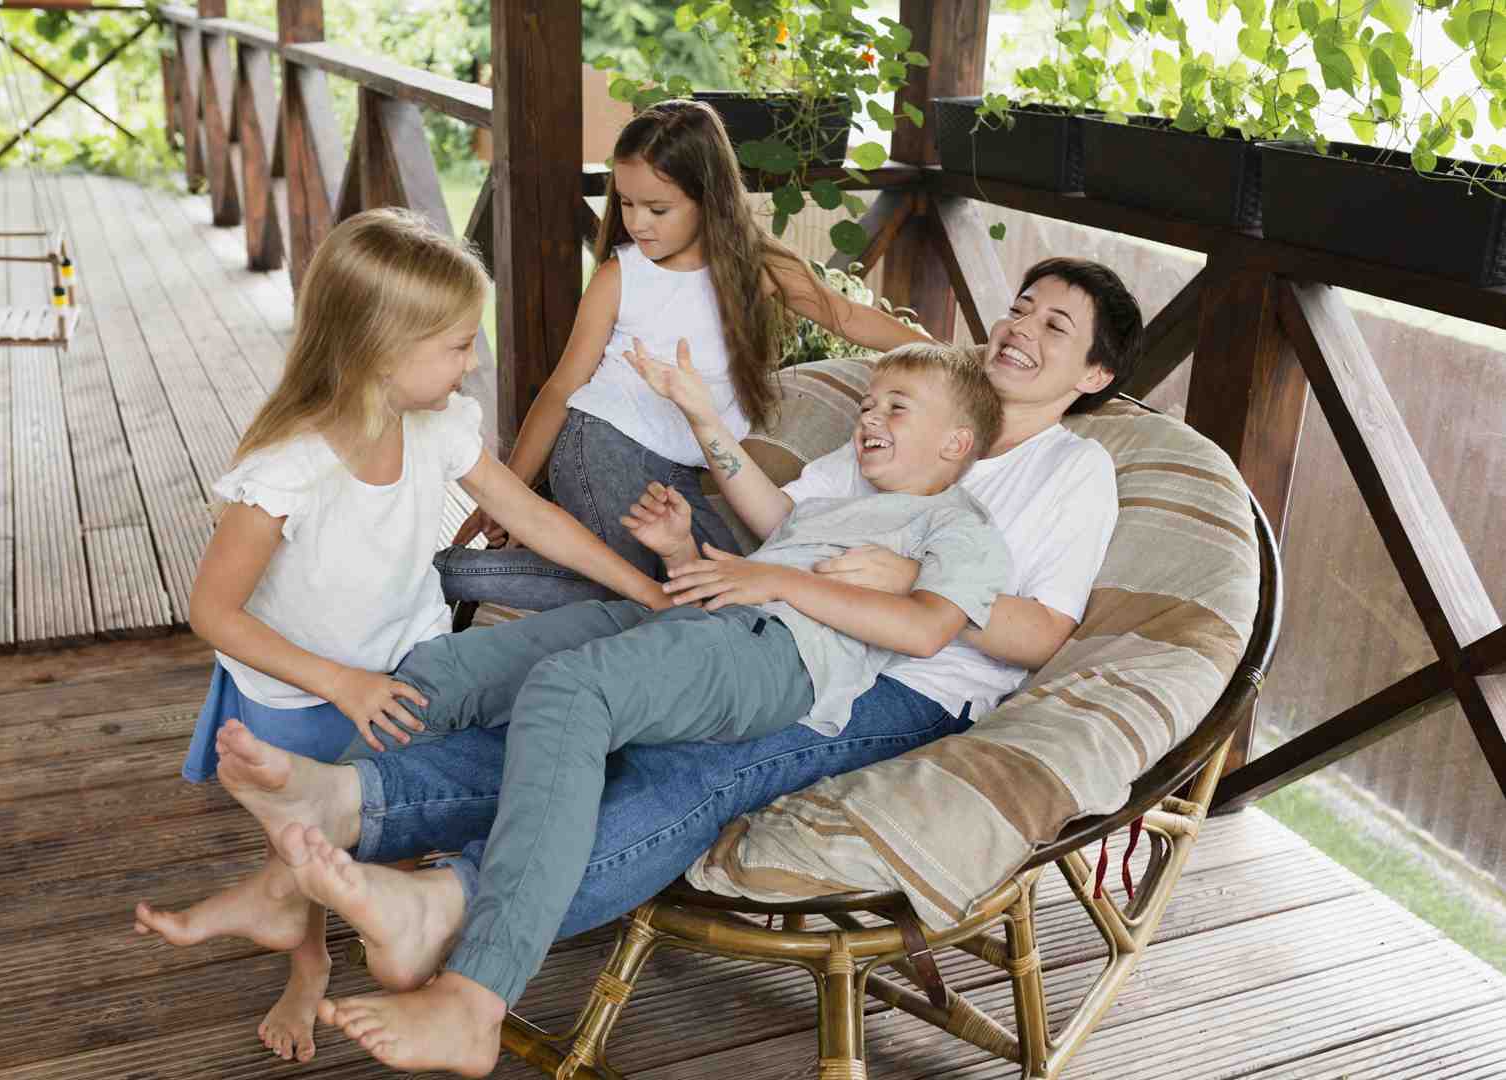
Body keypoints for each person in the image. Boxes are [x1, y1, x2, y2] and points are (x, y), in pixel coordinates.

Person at [165, 256, 1143, 1075]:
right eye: (1021, 304)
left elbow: (1039, 632)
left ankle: (452, 906)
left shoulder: (1069, 472)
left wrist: (898, 579)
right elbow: (788, 530)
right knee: (561, 705)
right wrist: (698, 517)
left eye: (1056, 325)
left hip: (893, 684)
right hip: (754, 620)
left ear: (1093, 374)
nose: (1022, 326)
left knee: (672, 767)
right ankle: (364, 805)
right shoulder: (906, 410)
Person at [129, 208, 669, 1064]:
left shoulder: (439, 425)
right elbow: (214, 612)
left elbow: (526, 512)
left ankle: (398, 936)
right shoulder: (289, 468)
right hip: (298, 686)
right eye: (457, 346)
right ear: (381, 348)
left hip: (408, 662)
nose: (472, 361)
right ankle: (305, 969)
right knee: (302, 841)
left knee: (386, 810)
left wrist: (645, 586)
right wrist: (339, 684)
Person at [436, 97, 931, 611]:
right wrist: (510, 495)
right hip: (603, 443)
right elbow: (563, 389)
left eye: (657, 209)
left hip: (683, 466)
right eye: (625, 203)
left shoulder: (757, 268)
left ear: (708, 198)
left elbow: (847, 317)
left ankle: (461, 576)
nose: (636, 223)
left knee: (718, 588)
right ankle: (449, 573)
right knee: (647, 592)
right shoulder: (619, 278)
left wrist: (943, 352)